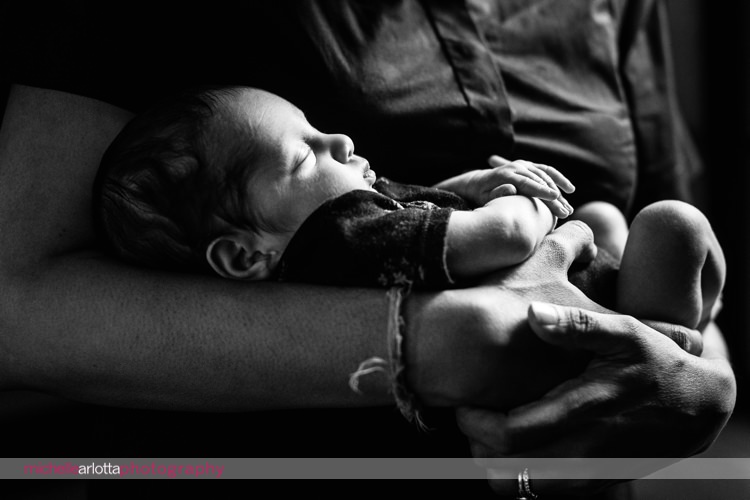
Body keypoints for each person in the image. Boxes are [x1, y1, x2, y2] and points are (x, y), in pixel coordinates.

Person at [0, 1, 736, 498]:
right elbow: (19, 299)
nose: (342, 143)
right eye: (303, 153)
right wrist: (425, 342)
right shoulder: (338, 225)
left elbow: (657, 220)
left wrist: (701, 376)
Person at [96, 86, 724, 336]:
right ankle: (672, 330)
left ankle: (679, 317)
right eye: (305, 157)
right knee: (671, 223)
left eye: (317, 128)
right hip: (577, 312)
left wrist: (472, 183)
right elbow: (499, 239)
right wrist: (523, 206)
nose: (338, 142)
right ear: (242, 253)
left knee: (608, 220)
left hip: (576, 289)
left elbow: (418, 207)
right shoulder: (335, 238)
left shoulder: (348, 218)